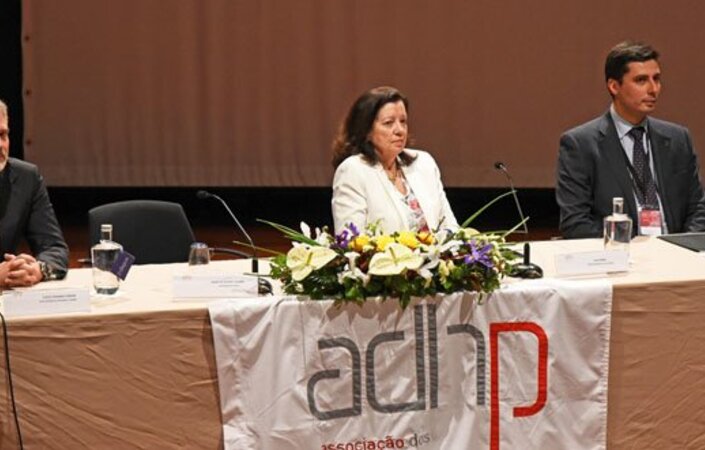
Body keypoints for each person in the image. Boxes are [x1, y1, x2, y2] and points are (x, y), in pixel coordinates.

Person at [556, 41, 705, 238]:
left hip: (675, 250)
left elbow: (698, 208)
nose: (653, 89)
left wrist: (682, 246)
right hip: (620, 251)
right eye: (641, 80)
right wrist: (631, 246)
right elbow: (575, 223)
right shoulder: (580, 144)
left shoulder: (678, 139)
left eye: (656, 79)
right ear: (614, 86)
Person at [331, 86, 458, 234]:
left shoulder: (424, 163)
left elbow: (450, 227)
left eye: (403, 121)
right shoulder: (353, 171)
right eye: (388, 123)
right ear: (366, 131)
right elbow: (350, 240)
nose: (400, 130)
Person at [0, 99, 69, 287]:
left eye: (3, 135)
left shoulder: (26, 178)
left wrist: (37, 269)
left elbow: (54, 248)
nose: (1, 145)